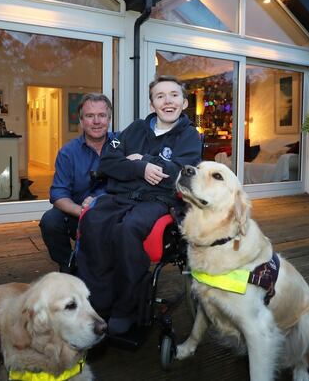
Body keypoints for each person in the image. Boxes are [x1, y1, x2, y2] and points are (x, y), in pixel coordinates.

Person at [77, 75, 202, 335]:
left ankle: (127, 308)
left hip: (159, 201)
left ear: (184, 103)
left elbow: (179, 173)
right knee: (92, 220)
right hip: (120, 196)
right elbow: (107, 162)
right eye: (160, 96)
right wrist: (139, 169)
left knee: (129, 229)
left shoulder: (190, 136)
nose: (167, 101)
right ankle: (99, 302)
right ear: (152, 104)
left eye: (174, 95)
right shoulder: (134, 129)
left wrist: (142, 159)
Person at [39, 93, 114, 273]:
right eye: (89, 116)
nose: (96, 121)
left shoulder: (122, 144)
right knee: (50, 221)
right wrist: (82, 211)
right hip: (78, 213)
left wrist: (100, 202)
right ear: (81, 121)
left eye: (102, 115)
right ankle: (68, 265)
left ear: (109, 119)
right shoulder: (68, 152)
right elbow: (58, 194)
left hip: (113, 211)